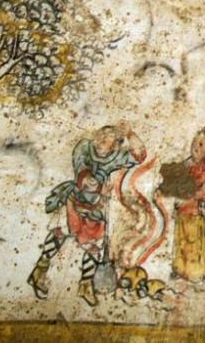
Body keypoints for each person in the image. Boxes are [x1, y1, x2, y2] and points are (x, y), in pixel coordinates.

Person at [28, 122, 146, 307]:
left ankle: (85, 285)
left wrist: (130, 133)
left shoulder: (115, 158)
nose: (102, 140)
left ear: (115, 144)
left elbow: (140, 155)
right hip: (75, 199)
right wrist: (100, 189)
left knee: (94, 246)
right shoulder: (84, 148)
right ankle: (39, 271)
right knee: (61, 233)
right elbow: (84, 176)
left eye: (109, 138)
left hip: (96, 207)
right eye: (101, 135)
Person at [170, 127, 205, 285]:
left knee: (194, 242)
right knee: (181, 241)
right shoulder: (185, 165)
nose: (196, 147)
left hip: (195, 212)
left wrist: (204, 193)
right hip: (182, 210)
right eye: (195, 142)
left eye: (201, 145)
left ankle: (196, 273)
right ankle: (180, 270)